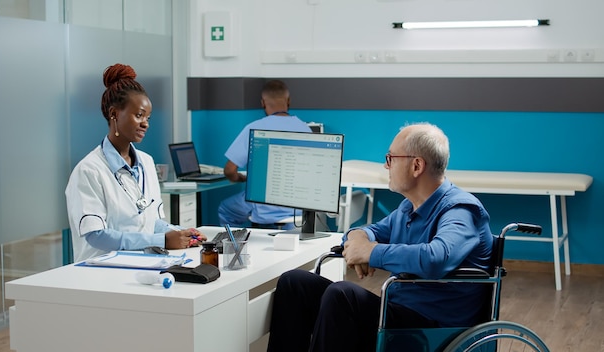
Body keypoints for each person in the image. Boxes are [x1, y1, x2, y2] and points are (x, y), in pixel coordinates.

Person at [266, 123, 494, 352]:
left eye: (391, 158)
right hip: (397, 315)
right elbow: (369, 231)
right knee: (295, 282)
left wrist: (371, 252)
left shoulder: (461, 210)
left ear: (417, 165)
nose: (386, 166)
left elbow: (437, 258)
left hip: (433, 330)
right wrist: (358, 238)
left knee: (343, 295)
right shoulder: (409, 207)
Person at [65, 63, 206, 261]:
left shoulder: (146, 163)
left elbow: (152, 222)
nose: (146, 123)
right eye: (139, 115)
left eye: (148, 117)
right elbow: (96, 236)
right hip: (102, 272)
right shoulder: (89, 170)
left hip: (144, 266)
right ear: (114, 114)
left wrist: (182, 233)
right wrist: (161, 241)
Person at [218, 79, 312, 229]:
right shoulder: (305, 129)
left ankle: (236, 245)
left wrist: (240, 178)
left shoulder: (254, 128)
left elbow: (229, 170)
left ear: (262, 103)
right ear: (289, 101)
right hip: (297, 206)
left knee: (226, 209)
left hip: (263, 205)